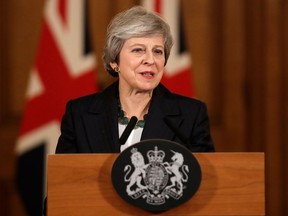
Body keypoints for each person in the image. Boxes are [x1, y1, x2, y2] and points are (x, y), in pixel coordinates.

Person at [55, 6, 215, 154]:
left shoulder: (191, 115)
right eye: (138, 50)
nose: (150, 60)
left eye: (158, 51)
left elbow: (203, 178)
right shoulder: (79, 114)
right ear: (114, 61)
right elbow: (63, 179)